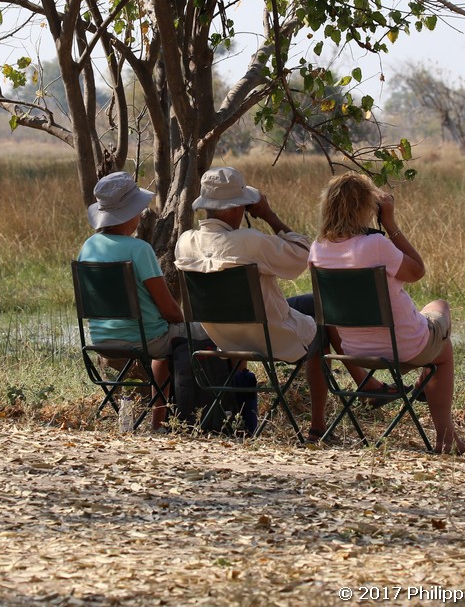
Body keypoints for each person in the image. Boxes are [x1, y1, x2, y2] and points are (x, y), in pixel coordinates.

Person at [309, 172, 465, 455]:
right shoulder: (376, 244)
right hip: (405, 346)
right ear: (366, 207)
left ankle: (422, 384)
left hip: (354, 350)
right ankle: (445, 437)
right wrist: (391, 223)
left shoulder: (318, 250)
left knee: (431, 316)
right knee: (440, 314)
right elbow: (417, 271)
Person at [174, 166, 331, 441]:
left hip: (222, 338)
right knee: (323, 326)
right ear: (238, 208)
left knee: (302, 304)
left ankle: (243, 418)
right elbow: (303, 256)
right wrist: (269, 216)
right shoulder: (251, 241)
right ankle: (318, 427)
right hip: (270, 336)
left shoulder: (185, 242)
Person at [77, 171, 184, 431]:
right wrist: (185, 321)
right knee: (187, 337)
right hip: (144, 340)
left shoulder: (88, 247)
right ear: (130, 214)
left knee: (166, 341)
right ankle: (164, 421)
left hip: (101, 340)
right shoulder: (139, 250)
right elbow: (168, 309)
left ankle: (156, 421)